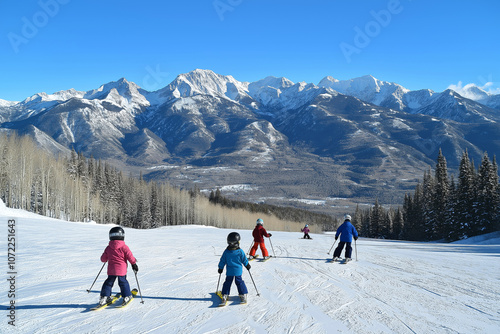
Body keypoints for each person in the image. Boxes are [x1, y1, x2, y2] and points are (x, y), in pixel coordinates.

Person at [99, 226, 139, 306]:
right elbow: (130, 257)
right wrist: (134, 264)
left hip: (111, 270)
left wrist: (107, 257)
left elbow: (103, 259)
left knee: (108, 282)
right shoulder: (124, 247)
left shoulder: (108, 248)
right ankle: (126, 296)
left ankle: (104, 297)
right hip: (121, 270)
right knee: (123, 282)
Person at [218, 232, 251, 304]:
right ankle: (243, 294)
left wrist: (220, 268)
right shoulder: (240, 251)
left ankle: (225, 294)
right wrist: (247, 265)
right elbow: (244, 259)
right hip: (238, 271)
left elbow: (222, 260)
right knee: (239, 282)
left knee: (227, 282)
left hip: (229, 271)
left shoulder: (226, 252)